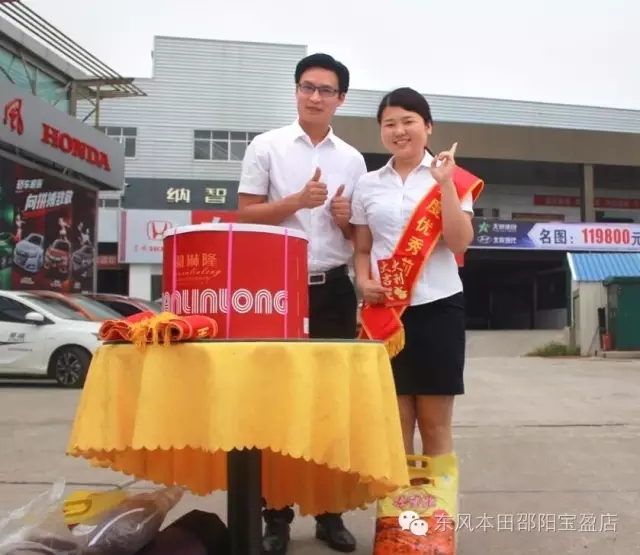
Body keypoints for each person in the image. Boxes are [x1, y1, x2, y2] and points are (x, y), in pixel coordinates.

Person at [237, 53, 367, 555]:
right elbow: (247, 215)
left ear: (340, 99)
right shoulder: (266, 145)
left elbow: (359, 236)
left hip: (333, 289)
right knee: (275, 404)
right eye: (307, 87)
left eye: (326, 90)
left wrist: (339, 218)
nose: (315, 97)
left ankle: (330, 514)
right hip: (277, 288)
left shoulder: (353, 160)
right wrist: (295, 203)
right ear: (295, 91)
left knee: (330, 404)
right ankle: (276, 517)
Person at [351, 87, 481, 461]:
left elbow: (459, 243)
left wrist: (444, 183)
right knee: (395, 421)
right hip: (386, 312)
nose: (399, 131)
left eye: (408, 121)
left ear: (428, 126)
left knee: (435, 424)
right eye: (389, 124)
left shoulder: (453, 179)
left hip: (439, 308)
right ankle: (399, 519)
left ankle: (436, 519)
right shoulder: (369, 184)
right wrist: (363, 281)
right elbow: (362, 248)